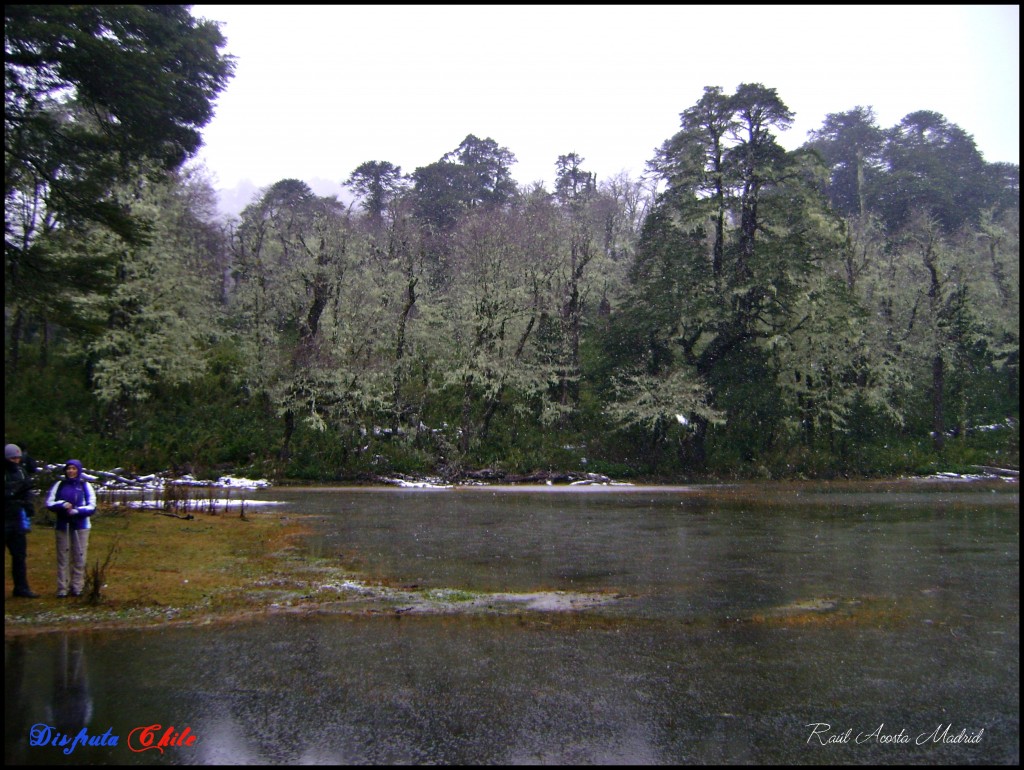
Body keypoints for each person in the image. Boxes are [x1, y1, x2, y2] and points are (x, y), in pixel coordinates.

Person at [46, 460, 97, 598]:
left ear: (78, 470)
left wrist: (77, 511)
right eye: (69, 469)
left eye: (74, 469)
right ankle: (63, 587)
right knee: (63, 556)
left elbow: (92, 506)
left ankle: (77, 587)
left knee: (79, 556)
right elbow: (49, 503)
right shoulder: (60, 485)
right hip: (63, 525)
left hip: (81, 526)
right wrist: (62, 505)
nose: (71, 471)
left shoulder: (85, 486)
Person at [4, 443, 39, 598]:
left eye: (18, 458)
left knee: (19, 556)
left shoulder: (22, 472)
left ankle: (21, 588)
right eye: (13, 458)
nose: (16, 461)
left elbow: (27, 491)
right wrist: (10, 495)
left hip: (17, 519)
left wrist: (28, 506)